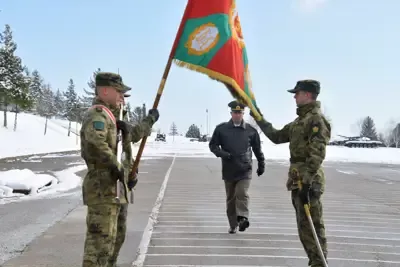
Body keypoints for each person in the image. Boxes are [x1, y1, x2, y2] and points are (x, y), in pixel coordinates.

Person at [80, 72, 159, 267]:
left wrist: (149, 120)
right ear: (105, 90)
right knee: (99, 244)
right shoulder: (97, 116)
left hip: (117, 190)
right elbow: (97, 145)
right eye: (119, 92)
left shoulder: (115, 119)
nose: (122, 98)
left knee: (115, 240)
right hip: (103, 189)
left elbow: (133, 135)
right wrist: (120, 171)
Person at [250, 79, 331, 267]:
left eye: (298, 93)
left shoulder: (315, 119)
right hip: (298, 180)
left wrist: (308, 182)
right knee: (304, 228)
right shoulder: (299, 121)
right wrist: (258, 117)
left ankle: (319, 263)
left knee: (313, 227)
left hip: (308, 182)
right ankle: (315, 261)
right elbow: (277, 136)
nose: (294, 96)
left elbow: (317, 153)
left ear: (308, 95)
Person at [209, 100, 265, 234]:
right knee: (231, 199)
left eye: (240, 112)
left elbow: (257, 149)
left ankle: (243, 218)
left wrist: (261, 163)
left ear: (243, 113)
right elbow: (213, 146)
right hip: (229, 169)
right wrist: (223, 154)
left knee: (242, 193)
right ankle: (233, 224)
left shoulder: (250, 131)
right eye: (235, 112)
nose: (237, 115)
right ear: (231, 113)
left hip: (244, 169)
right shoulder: (221, 129)